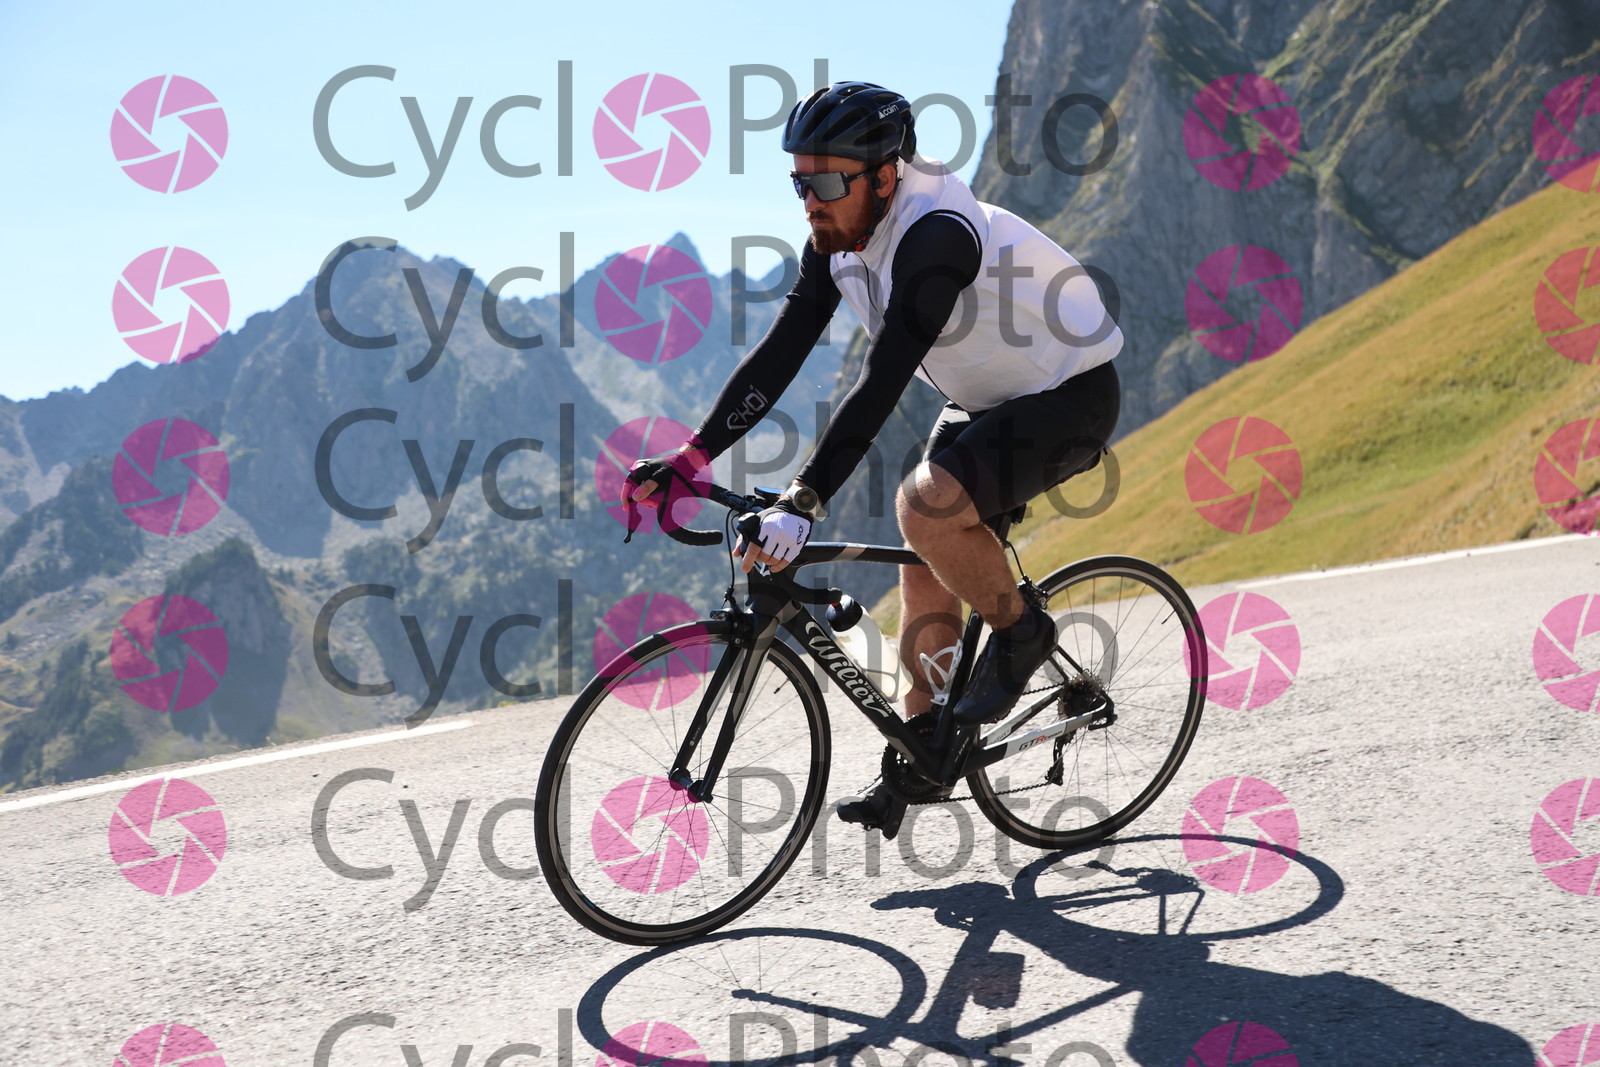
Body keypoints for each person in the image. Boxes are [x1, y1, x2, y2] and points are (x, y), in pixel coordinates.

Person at [625, 81, 1122, 839]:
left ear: (886, 176)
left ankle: (1023, 633)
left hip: (1069, 391)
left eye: (826, 184)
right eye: (799, 183)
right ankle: (925, 753)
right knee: (925, 563)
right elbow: (784, 350)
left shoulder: (938, 235)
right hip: (986, 398)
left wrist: (803, 500)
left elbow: (883, 376)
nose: (809, 202)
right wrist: (692, 456)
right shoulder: (839, 239)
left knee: (926, 509)